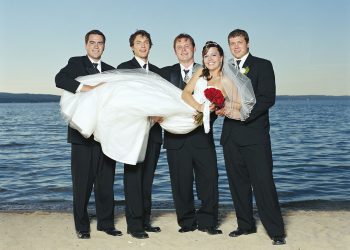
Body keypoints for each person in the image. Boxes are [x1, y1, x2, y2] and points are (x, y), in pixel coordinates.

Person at [218, 29, 286, 245]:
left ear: (247, 43)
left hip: (255, 136)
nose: (236, 46)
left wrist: (242, 113)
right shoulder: (224, 68)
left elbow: (267, 99)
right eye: (232, 43)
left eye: (239, 42)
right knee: (237, 185)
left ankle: (276, 232)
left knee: (263, 183)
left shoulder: (263, 65)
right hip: (230, 137)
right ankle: (245, 225)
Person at [55, 30, 121, 239]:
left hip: (106, 136)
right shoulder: (76, 63)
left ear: (104, 46)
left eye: (100, 43)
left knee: (105, 182)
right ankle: (82, 227)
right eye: (92, 43)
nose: (96, 46)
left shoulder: (112, 71)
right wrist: (86, 87)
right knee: (82, 184)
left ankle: (106, 223)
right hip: (81, 137)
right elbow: (59, 79)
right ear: (86, 45)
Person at [162, 35, 222, 235]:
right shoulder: (166, 74)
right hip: (175, 139)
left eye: (187, 45)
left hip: (202, 136)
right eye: (179, 46)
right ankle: (186, 222)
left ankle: (208, 222)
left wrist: (209, 113)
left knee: (209, 179)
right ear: (174, 50)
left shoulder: (208, 70)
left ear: (194, 48)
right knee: (181, 183)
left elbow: (220, 96)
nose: (183, 49)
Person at [117, 30, 162, 239]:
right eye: (138, 42)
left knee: (148, 179)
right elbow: (123, 99)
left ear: (150, 46)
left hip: (153, 134)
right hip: (133, 133)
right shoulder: (123, 69)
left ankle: (145, 220)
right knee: (133, 178)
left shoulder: (157, 71)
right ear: (132, 47)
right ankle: (134, 225)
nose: (143, 45)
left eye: (146, 42)